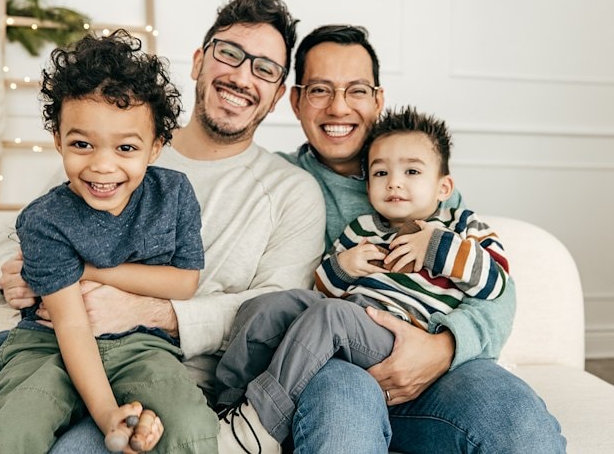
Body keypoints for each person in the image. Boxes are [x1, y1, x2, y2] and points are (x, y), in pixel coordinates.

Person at [0, 0, 325, 452]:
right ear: (198, 62)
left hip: (158, 359)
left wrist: (153, 311)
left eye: (265, 69)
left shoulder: (289, 191)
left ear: (278, 94)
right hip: (45, 335)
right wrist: (15, 272)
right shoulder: (104, 129)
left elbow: (276, 311)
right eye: (229, 53)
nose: (240, 75)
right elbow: (19, 234)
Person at [276, 25, 566, 453]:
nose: (339, 107)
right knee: (342, 429)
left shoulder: (420, 177)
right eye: (320, 90)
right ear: (296, 100)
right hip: (335, 367)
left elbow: (495, 290)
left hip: (437, 361)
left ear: (378, 99)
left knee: (520, 425)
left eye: (356, 90)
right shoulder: (278, 182)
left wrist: (443, 348)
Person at [0, 29, 217, 454]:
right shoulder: (44, 220)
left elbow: (185, 282)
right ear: (58, 139)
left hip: (142, 343)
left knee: (191, 426)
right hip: (48, 344)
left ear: (155, 148)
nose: (102, 165)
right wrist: (109, 414)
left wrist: (92, 272)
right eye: (81, 144)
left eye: (126, 147)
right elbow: (72, 325)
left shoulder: (175, 194)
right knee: (10, 433)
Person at [215, 105, 512, 453]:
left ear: (443, 186)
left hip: (401, 333)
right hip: (347, 324)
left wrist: (435, 244)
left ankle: (260, 426)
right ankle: (228, 407)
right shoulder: (363, 229)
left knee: (331, 316)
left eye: (412, 171)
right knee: (266, 307)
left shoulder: (461, 225)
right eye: (381, 172)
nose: (394, 182)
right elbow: (322, 289)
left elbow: (495, 282)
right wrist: (343, 266)